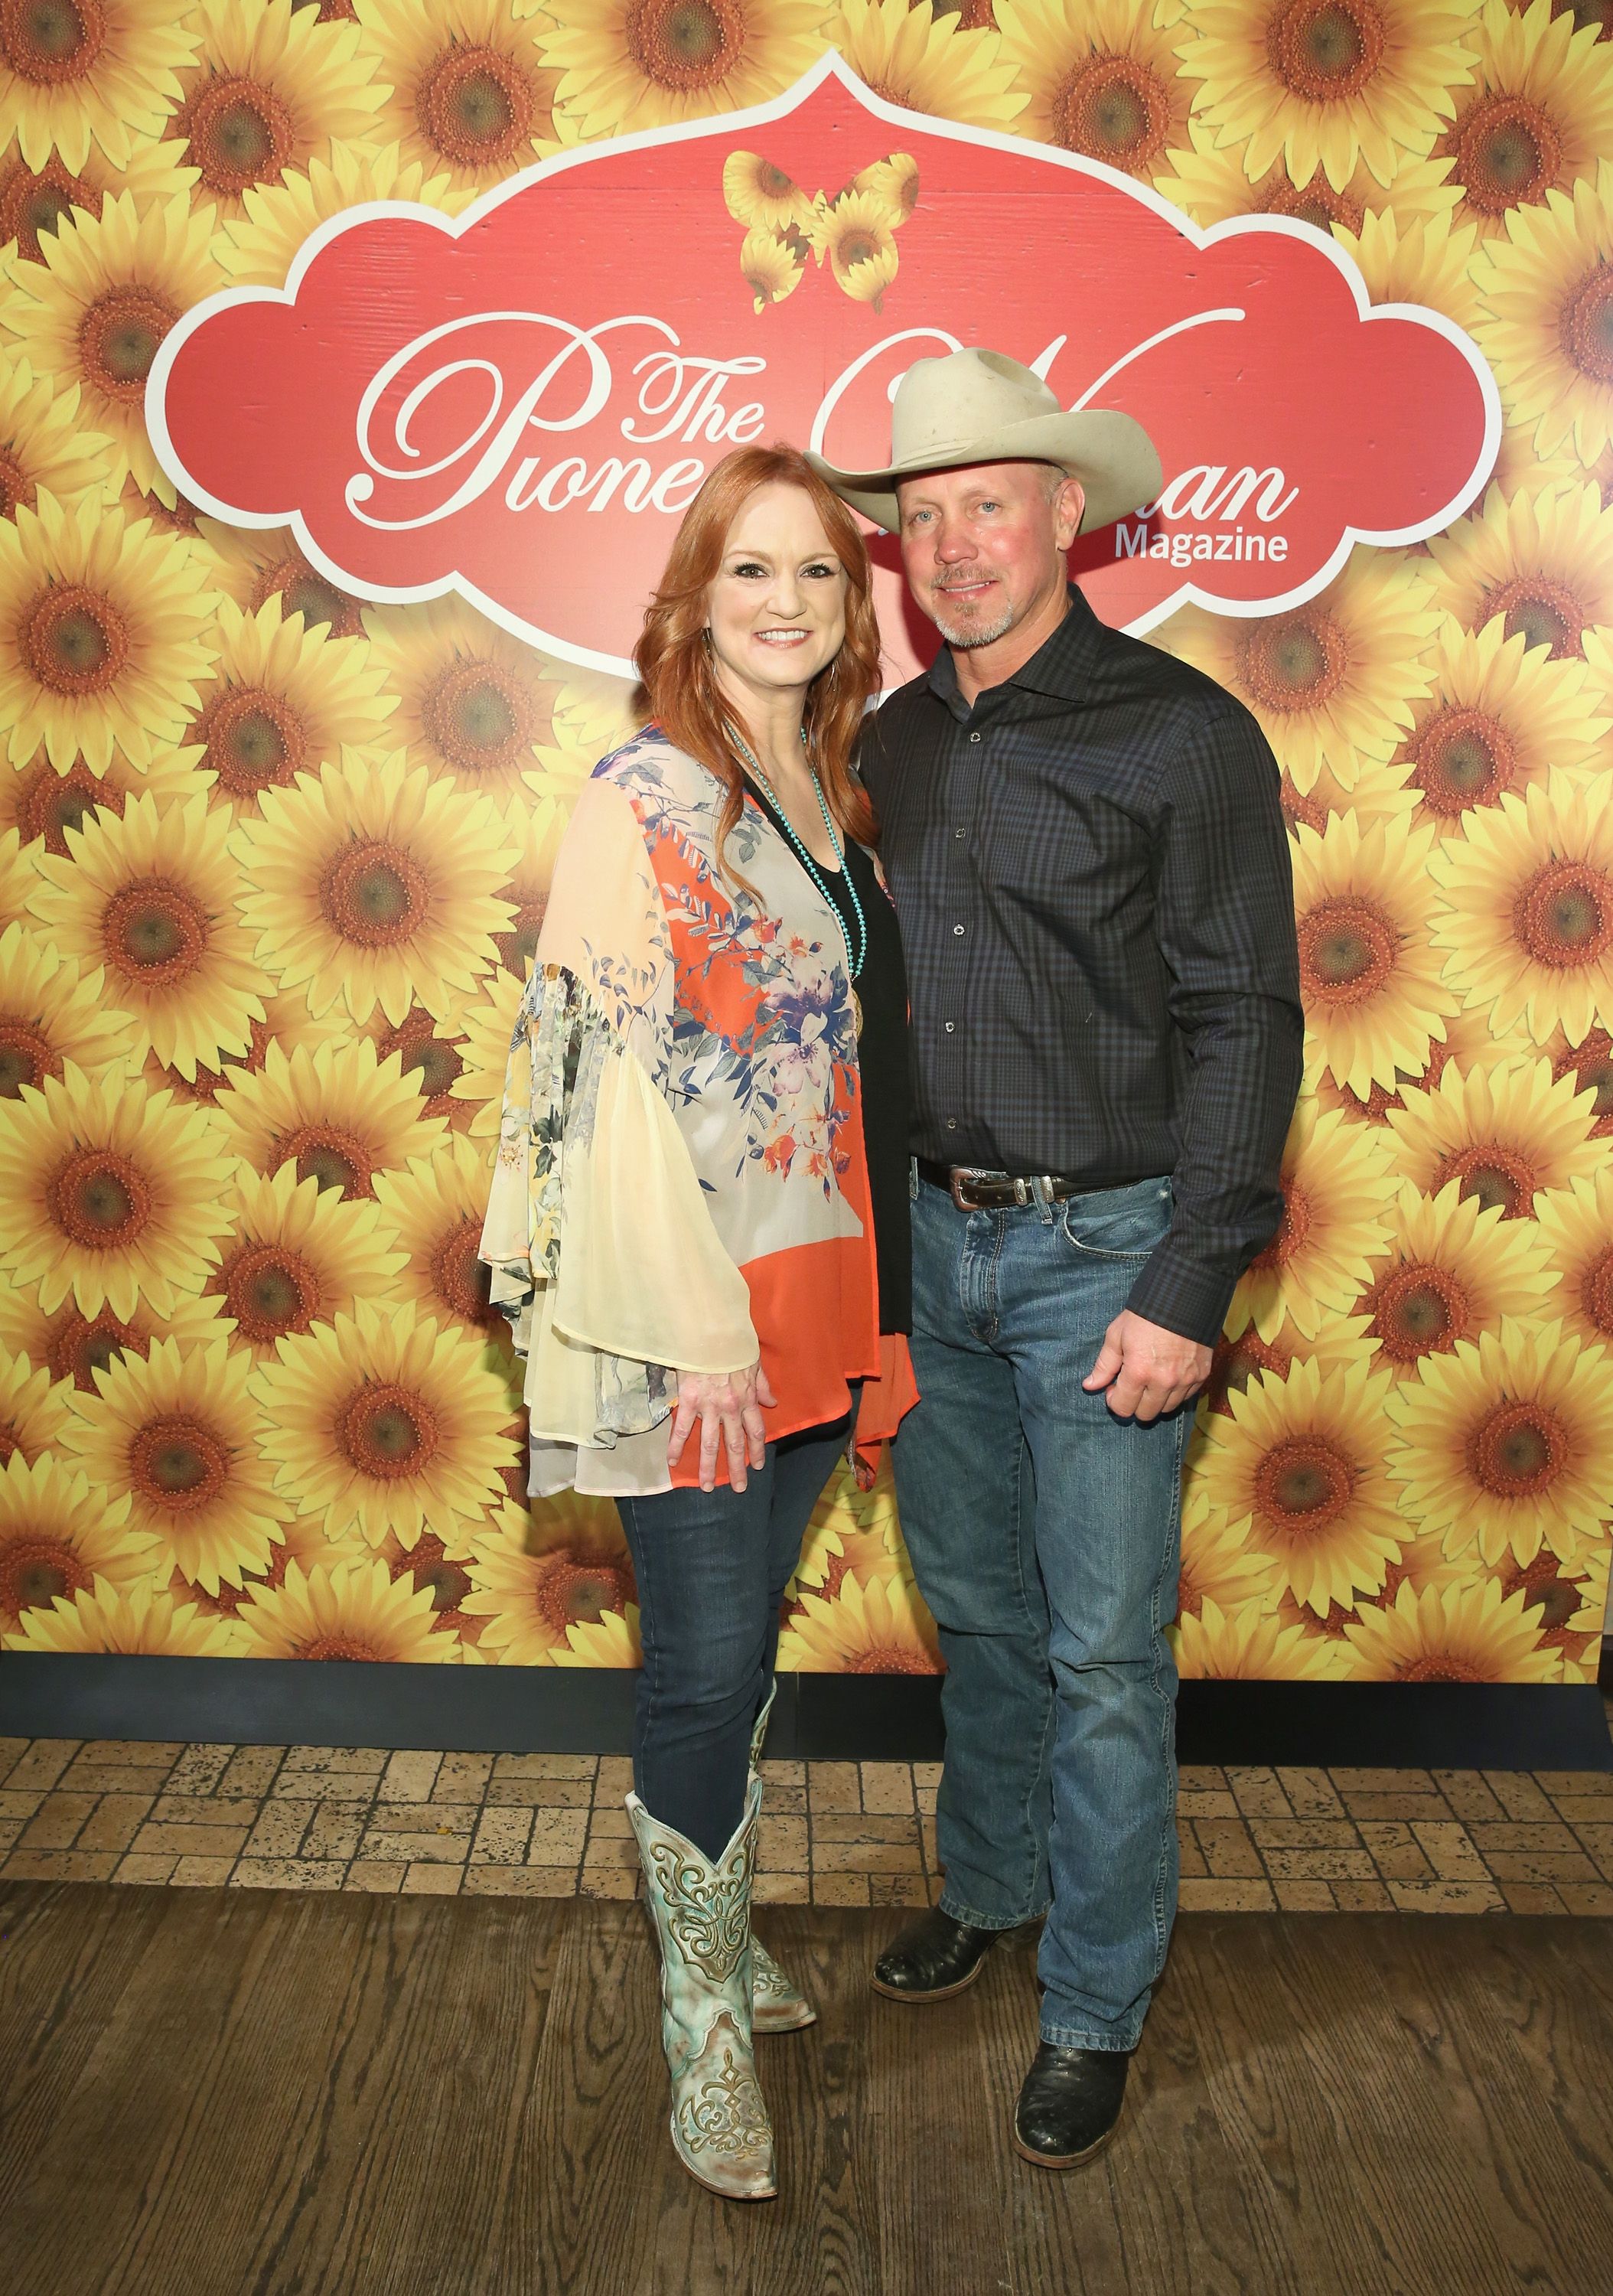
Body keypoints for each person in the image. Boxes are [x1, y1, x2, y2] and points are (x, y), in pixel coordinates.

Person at [809, 350, 1304, 2168]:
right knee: (989, 1620)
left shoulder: (1180, 733)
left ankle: (1095, 2002)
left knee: (1105, 1653)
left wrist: (1187, 1287)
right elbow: (860, 1027)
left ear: (1064, 515)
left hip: (1111, 1256)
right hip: (932, 1253)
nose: (949, 545)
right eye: (919, 517)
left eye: (984, 505)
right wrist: (863, 1286)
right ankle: (994, 1891)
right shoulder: (892, 743)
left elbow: (1245, 1021)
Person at [479, 444, 915, 2203]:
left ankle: (726, 1950)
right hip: (697, 1326)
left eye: (818, 572)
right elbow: (600, 1103)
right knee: (704, 1667)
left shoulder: (829, 790)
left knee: (742, 1662)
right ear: (690, 599)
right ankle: (698, 2036)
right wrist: (696, 1345)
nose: (788, 603)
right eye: (751, 572)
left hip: (819, 1293)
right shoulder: (641, 801)